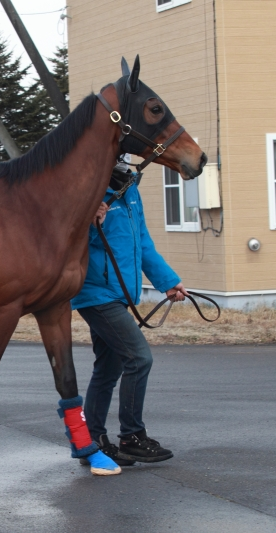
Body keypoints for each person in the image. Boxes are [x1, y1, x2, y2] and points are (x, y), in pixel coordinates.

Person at [71, 157, 188, 466]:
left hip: (118, 295)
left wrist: (168, 282)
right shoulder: (86, 189)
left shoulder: (129, 190)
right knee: (138, 358)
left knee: (108, 370)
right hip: (95, 294)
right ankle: (132, 437)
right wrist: (90, 224)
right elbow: (68, 244)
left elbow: (143, 244)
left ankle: (91, 443)